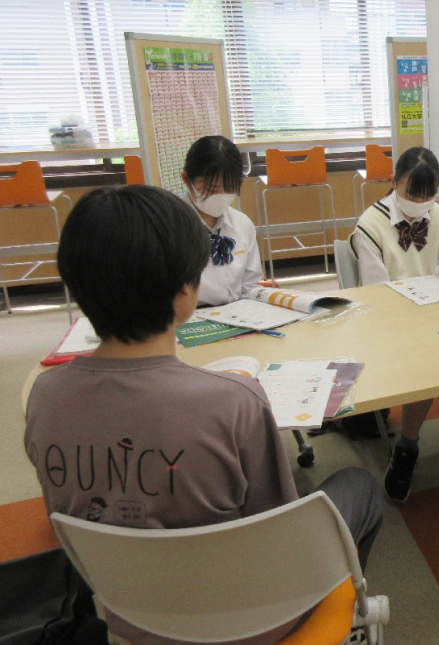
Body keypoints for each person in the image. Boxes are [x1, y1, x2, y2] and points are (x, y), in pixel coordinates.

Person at [24, 186, 382, 645]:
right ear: (184, 292)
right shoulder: (234, 402)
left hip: (128, 612)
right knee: (358, 486)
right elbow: (280, 529)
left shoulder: (45, 396)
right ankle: (340, 612)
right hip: (252, 620)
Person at [351, 147, 439, 503]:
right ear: (393, 182)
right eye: (411, 194)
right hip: (392, 321)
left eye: (427, 195)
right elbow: (377, 293)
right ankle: (408, 445)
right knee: (433, 355)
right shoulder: (370, 225)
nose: (419, 202)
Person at [181, 135, 262, 306]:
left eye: (230, 188)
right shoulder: (170, 227)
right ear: (187, 180)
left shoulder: (242, 224)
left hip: (239, 312)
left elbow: (251, 284)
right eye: (210, 188)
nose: (221, 195)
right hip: (191, 315)